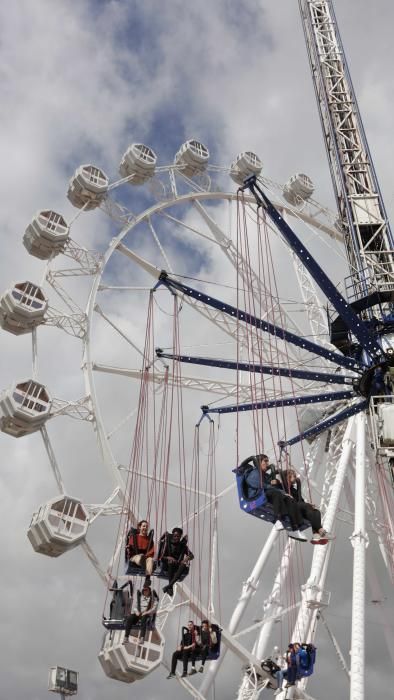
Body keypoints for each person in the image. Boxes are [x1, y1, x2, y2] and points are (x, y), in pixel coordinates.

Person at [240, 454, 307, 542]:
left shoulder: (265, 475)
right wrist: (271, 485)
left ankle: (295, 528)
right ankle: (278, 520)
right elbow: (257, 484)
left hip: (266, 494)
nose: (267, 463)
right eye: (265, 461)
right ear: (259, 463)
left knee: (289, 499)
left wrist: (281, 489)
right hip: (256, 496)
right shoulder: (254, 473)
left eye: (268, 461)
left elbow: (270, 485)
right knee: (276, 493)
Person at [281, 469, 334, 545]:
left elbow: (300, 501)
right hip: (289, 508)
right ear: (287, 476)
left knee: (316, 511)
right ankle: (321, 530)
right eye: (293, 475)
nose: (295, 477)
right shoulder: (282, 486)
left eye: (295, 475)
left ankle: (316, 535)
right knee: (305, 505)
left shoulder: (294, 490)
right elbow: (281, 475)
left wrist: (308, 504)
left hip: (298, 510)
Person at [159, 527, 194, 596]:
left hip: (177, 566)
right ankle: (170, 586)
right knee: (170, 562)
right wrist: (168, 557)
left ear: (180, 537)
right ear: (172, 535)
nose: (176, 538)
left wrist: (185, 559)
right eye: (175, 536)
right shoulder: (167, 544)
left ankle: (169, 586)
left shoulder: (182, 546)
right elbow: (161, 557)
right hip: (166, 565)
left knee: (184, 564)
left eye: (178, 536)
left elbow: (192, 555)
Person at [126, 519, 155, 586]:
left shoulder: (149, 540)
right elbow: (130, 548)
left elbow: (152, 551)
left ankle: (147, 579)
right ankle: (148, 568)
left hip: (146, 557)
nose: (145, 528)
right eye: (144, 526)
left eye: (146, 526)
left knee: (150, 560)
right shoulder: (134, 537)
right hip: (134, 556)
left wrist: (147, 556)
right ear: (140, 527)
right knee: (140, 557)